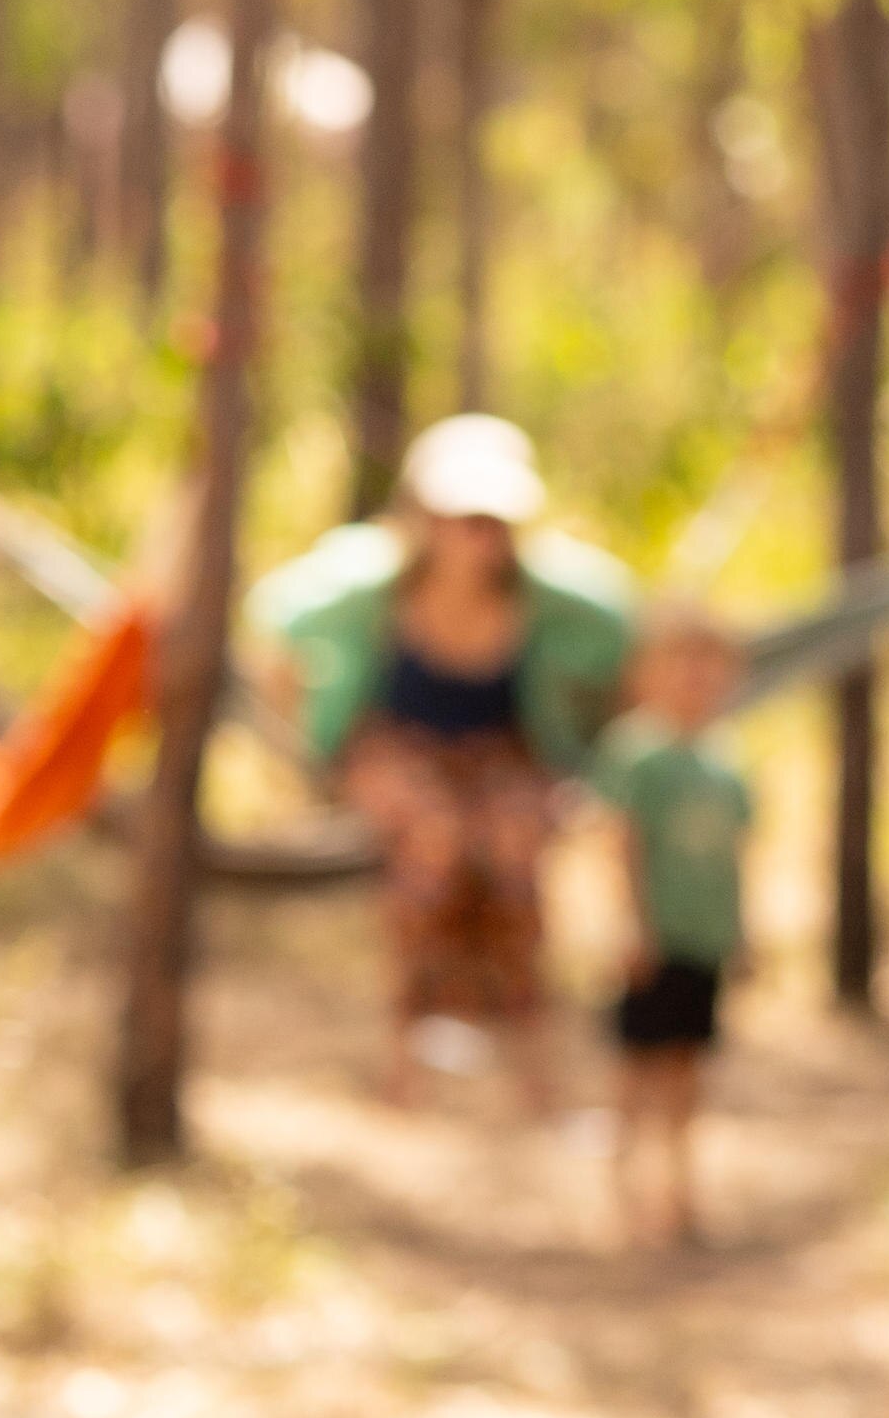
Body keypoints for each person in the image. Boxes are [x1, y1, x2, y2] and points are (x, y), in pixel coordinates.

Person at [248, 413, 639, 1108]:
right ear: (425, 516)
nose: (480, 536)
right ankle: (410, 1057)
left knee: (514, 849)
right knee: (433, 844)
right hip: (396, 751)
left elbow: (631, 646)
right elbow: (274, 624)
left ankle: (526, 1062)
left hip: (505, 758)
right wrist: (301, 744)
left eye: (495, 520)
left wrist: (601, 759)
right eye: (465, 517)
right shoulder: (362, 583)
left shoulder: (559, 598)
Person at [587, 600, 754, 1247]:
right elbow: (617, 844)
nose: (696, 676)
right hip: (650, 942)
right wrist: (629, 925)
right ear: (647, 671)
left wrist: (741, 931)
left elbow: (737, 855)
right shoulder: (635, 754)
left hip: (703, 939)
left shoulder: (726, 762)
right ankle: (620, 1197)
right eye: (681, 660)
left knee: (689, 1070)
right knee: (633, 1070)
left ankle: (680, 1194)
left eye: (710, 663)